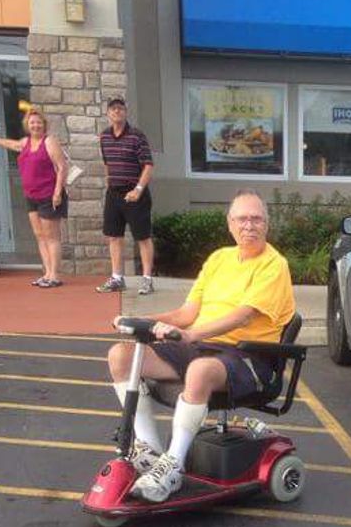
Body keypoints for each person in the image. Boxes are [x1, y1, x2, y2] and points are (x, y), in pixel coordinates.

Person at [106, 191, 294, 502]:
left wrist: (192, 335)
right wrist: (141, 320)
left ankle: (173, 466)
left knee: (199, 370)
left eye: (256, 218)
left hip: (250, 355)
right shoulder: (219, 259)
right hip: (202, 346)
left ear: (267, 225)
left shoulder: (274, 265)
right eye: (242, 219)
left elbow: (243, 316)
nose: (249, 225)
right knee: (121, 355)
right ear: (230, 224)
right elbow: (186, 314)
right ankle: (150, 450)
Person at [0, 109, 67, 287]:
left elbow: (62, 167)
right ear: (27, 125)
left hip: (49, 196)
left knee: (52, 237)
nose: (35, 125)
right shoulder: (25, 142)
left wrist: (57, 192)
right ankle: (47, 272)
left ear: (44, 124)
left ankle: (54, 276)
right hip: (31, 196)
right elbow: (11, 144)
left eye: (39, 122)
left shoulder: (49, 142)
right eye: (32, 122)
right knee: (40, 235)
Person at [96, 96, 156, 297]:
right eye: (113, 109)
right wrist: (108, 185)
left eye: (120, 109)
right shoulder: (104, 136)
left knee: (143, 237)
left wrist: (138, 189)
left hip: (135, 194)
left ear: (125, 112)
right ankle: (117, 278)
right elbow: (107, 163)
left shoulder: (137, 136)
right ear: (108, 113)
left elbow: (148, 165)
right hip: (114, 193)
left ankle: (147, 280)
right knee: (114, 236)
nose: (116, 112)